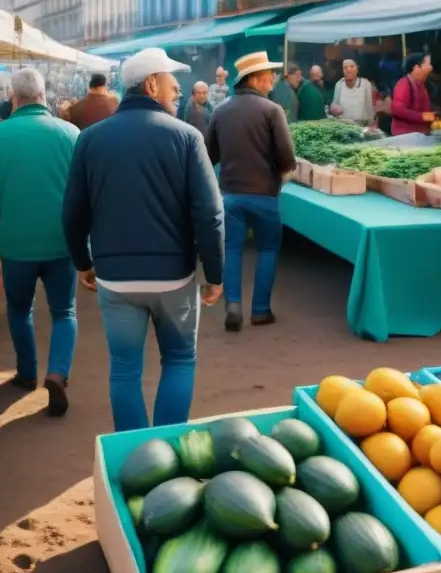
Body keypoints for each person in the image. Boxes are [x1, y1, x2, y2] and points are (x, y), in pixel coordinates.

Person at [62, 48, 224, 432]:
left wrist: (82, 263)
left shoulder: (90, 140)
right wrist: (214, 273)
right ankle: (166, 453)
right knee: (180, 359)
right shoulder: (186, 137)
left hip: (115, 278)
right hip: (174, 277)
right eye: (172, 83)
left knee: (124, 370)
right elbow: (209, 213)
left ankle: (135, 455)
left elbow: (71, 212)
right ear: (151, 84)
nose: (178, 91)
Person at [0, 68, 78, 414]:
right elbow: (87, 193)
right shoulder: (71, 133)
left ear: (14, 98)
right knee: (64, 311)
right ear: (44, 96)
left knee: (19, 309)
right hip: (63, 242)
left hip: (16, 245)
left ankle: (28, 373)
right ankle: (58, 373)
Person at [206, 52, 296, 332]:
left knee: (231, 249)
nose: (272, 82)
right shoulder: (271, 110)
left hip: (230, 194)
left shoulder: (220, 111)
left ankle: (232, 307)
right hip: (264, 193)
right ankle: (260, 310)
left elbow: (210, 155)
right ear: (255, 79)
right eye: (269, 77)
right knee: (268, 249)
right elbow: (286, 156)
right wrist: (284, 170)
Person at [390, 53, 436, 135]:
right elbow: (398, 111)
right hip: (406, 136)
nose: (431, 68)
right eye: (427, 64)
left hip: (421, 134)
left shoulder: (423, 84)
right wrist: (422, 116)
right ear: (416, 68)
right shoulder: (403, 84)